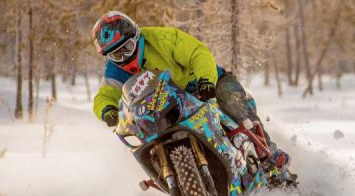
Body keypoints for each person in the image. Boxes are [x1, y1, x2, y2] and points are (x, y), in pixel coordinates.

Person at [92, 11, 291, 171]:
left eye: (126, 48)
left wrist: (206, 80)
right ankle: (164, 171)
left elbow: (198, 52)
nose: (123, 58)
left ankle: (269, 155)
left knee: (232, 102)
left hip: (204, 85)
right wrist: (107, 110)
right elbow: (105, 95)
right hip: (164, 104)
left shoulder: (163, 39)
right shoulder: (115, 70)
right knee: (141, 132)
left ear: (136, 37)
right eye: (115, 55)